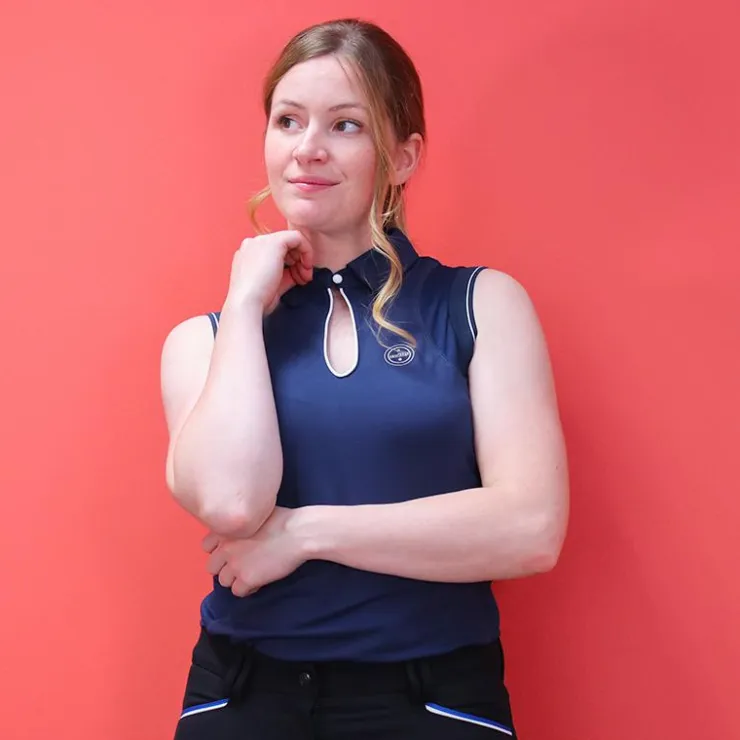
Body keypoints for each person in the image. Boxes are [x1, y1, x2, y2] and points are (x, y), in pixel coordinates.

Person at [160, 17, 569, 740]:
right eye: (289, 121)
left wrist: (304, 533)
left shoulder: (480, 305)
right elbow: (231, 502)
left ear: (402, 155)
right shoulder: (208, 339)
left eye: (345, 125)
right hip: (243, 696)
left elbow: (530, 530)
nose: (308, 148)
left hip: (432, 698)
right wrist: (245, 303)